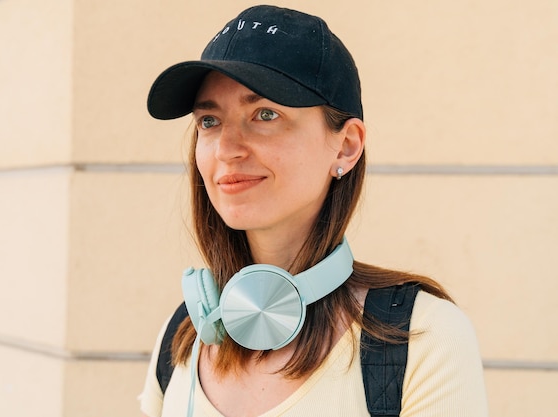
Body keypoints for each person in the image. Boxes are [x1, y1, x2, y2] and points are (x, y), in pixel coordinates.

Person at [139, 5, 488, 417]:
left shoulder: (423, 338)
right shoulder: (181, 335)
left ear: (346, 146)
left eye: (265, 114)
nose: (226, 149)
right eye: (209, 121)